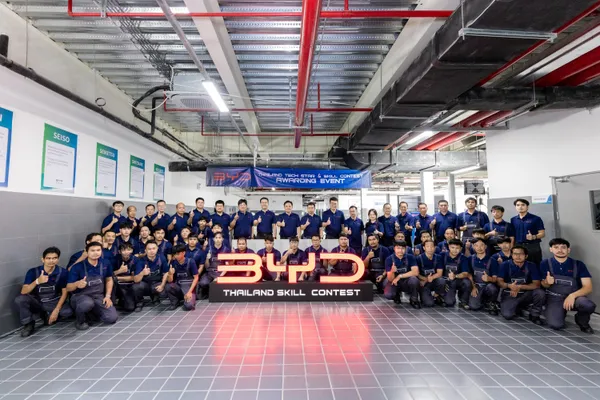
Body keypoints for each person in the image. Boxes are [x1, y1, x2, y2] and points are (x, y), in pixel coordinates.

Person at [539, 238, 595, 333]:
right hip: (554, 298)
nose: (560, 250)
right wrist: (547, 282)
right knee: (556, 325)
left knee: (587, 305)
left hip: (574, 297)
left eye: (563, 247)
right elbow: (543, 285)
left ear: (568, 250)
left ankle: (582, 321)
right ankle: (553, 311)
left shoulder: (578, 264)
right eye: (556, 247)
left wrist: (572, 296)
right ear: (551, 249)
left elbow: (588, 287)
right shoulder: (545, 263)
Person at [15, 247, 73, 337]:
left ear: (58, 259)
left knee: (67, 312)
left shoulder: (63, 272)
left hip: (52, 301)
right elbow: (24, 291)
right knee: (20, 299)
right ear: (43, 259)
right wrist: (37, 281)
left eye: (54, 258)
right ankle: (28, 324)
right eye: (48, 258)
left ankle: (47, 314)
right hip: (37, 301)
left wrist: (56, 310)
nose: (51, 261)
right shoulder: (33, 272)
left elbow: (64, 292)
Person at [67, 242, 118, 330]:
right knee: (87, 304)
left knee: (111, 318)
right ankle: (80, 321)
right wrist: (77, 284)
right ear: (87, 252)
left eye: (98, 250)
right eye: (92, 250)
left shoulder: (105, 263)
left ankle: (91, 314)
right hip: (81, 296)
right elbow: (68, 287)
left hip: (98, 296)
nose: (95, 253)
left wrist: (107, 296)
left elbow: (109, 279)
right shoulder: (77, 267)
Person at [496, 245, 544, 324]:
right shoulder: (505, 265)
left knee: (540, 292)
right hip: (510, 294)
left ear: (526, 256)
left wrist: (520, 287)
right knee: (507, 315)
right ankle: (517, 307)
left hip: (526, 294)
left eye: (521, 254)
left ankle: (535, 314)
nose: (518, 256)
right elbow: (499, 282)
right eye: (515, 254)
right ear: (512, 255)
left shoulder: (531, 265)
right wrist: (509, 286)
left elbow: (537, 284)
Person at [133, 241, 169, 312]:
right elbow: (136, 280)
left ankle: (155, 297)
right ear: (145, 250)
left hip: (157, 283)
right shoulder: (141, 261)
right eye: (149, 249)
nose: (152, 251)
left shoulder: (161, 258)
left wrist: (162, 285)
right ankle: (139, 302)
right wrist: (142, 273)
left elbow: (166, 273)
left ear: (157, 249)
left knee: (164, 292)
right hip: (145, 284)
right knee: (136, 286)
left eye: (153, 248)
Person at [467, 238, 500, 314]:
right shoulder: (470, 259)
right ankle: (480, 300)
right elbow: (469, 275)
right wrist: (474, 287)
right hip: (476, 286)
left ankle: (491, 302)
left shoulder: (492, 260)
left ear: (485, 246)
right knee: (474, 306)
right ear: (473, 247)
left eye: (482, 245)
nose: (479, 248)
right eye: (476, 245)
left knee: (492, 288)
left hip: (487, 286)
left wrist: (489, 278)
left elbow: (495, 279)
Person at [383, 241, 420, 308]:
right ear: (394, 248)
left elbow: (415, 272)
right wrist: (392, 271)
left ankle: (414, 299)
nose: (400, 250)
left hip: (407, 281)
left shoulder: (410, 257)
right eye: (398, 248)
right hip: (395, 282)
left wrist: (400, 276)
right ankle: (396, 295)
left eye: (402, 248)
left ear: (405, 248)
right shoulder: (389, 259)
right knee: (389, 295)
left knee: (414, 280)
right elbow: (390, 279)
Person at [511, 198, 545, 266]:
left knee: (535, 265)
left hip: (532, 246)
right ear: (515, 207)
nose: (520, 207)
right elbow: (513, 235)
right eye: (518, 205)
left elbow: (542, 233)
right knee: (519, 266)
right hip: (518, 246)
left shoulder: (536, 219)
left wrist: (533, 237)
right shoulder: (513, 219)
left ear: (527, 207)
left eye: (523, 205)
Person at [436, 239, 470, 308]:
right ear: (449, 247)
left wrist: (455, 276)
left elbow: (465, 273)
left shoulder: (463, 258)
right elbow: (438, 271)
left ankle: (463, 300)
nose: (455, 250)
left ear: (461, 248)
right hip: (445, 281)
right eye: (452, 247)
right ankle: (440, 295)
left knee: (467, 282)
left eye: (457, 248)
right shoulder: (442, 255)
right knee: (449, 302)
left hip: (457, 280)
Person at [166, 244, 199, 311]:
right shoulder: (173, 263)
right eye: (175, 254)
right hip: (178, 285)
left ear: (184, 253)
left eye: (178, 254)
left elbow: (196, 277)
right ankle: (175, 302)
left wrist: (189, 292)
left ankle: (188, 299)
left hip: (189, 287)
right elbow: (170, 281)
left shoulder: (191, 261)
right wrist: (170, 274)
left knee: (189, 306)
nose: (176, 256)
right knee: (168, 286)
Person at [199, 232, 229, 298]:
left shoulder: (226, 250)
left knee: (219, 285)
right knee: (203, 283)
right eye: (216, 238)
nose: (218, 239)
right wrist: (207, 259)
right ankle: (207, 292)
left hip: (220, 273)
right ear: (213, 239)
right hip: (210, 273)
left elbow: (227, 267)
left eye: (219, 238)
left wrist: (219, 277)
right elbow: (206, 266)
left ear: (222, 239)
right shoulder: (208, 249)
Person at [415, 240, 443, 307]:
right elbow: (416, 273)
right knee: (429, 304)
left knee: (442, 281)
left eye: (432, 246)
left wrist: (431, 278)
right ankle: (425, 296)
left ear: (435, 247)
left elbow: (440, 273)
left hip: (434, 280)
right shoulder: (418, 258)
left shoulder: (438, 257)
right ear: (424, 248)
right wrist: (425, 279)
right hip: (423, 282)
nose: (430, 248)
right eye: (427, 246)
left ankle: (437, 295)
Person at [112, 242, 137, 312]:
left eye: (128, 250)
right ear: (119, 251)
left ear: (132, 250)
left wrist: (117, 278)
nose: (126, 252)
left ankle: (125, 300)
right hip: (118, 286)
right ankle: (113, 302)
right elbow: (108, 275)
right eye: (123, 250)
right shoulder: (114, 259)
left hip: (130, 286)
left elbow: (135, 278)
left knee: (130, 308)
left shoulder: (136, 260)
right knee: (111, 280)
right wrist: (119, 271)